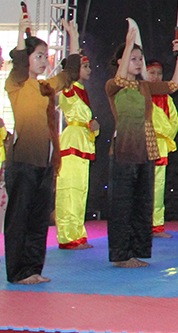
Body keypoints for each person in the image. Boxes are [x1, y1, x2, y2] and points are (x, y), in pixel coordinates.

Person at [5, 17, 80, 284]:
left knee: (38, 220)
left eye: (44, 56)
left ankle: (33, 269)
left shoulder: (45, 87)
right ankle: (18, 272)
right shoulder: (16, 84)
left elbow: (70, 73)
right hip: (23, 162)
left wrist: (73, 37)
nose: (43, 60)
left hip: (46, 164)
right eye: (38, 55)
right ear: (27, 58)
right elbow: (18, 62)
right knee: (19, 219)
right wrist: (21, 31)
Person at [106, 26, 178, 268]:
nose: (139, 63)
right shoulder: (113, 85)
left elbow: (174, 85)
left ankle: (136, 251)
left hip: (147, 150)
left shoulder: (144, 87)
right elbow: (120, 79)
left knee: (142, 203)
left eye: (141, 58)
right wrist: (129, 43)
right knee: (122, 204)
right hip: (124, 150)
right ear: (121, 62)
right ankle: (121, 255)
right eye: (133, 58)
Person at [55, 51, 100, 250]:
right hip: (72, 142)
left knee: (80, 190)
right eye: (85, 66)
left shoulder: (81, 91)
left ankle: (78, 235)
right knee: (70, 190)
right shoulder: (69, 88)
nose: (89, 70)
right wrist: (74, 40)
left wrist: (92, 126)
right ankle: (68, 236)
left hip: (82, 141)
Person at [147, 61, 178, 238]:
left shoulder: (167, 99)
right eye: (152, 72)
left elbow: (174, 122)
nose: (156, 77)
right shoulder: (141, 93)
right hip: (142, 144)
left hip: (160, 146)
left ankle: (156, 225)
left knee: (158, 187)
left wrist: (163, 135)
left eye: (159, 73)